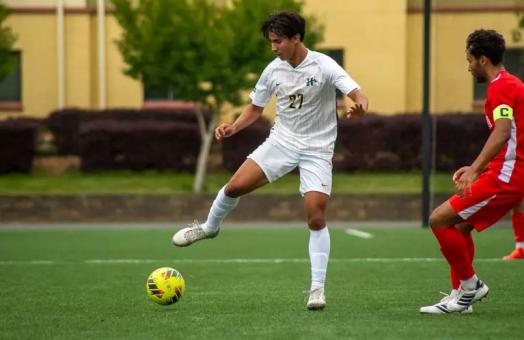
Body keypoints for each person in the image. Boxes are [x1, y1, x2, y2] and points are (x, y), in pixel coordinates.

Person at [172, 10, 368, 310]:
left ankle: (317, 290)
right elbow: (255, 107)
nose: (273, 48)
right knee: (234, 187)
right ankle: (209, 228)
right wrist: (233, 126)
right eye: (270, 42)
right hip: (282, 142)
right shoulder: (273, 70)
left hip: (317, 149)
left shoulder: (324, 65)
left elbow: (357, 92)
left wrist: (361, 106)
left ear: (296, 38)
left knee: (315, 215)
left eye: (278, 41)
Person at [420, 29, 524, 314]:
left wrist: (475, 169)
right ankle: (461, 298)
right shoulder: (511, 84)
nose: (468, 66)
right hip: (506, 171)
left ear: (482, 59)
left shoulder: (501, 87)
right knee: (460, 225)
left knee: (439, 219)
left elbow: (502, 133)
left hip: (507, 176)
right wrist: (478, 168)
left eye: (469, 60)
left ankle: (471, 286)